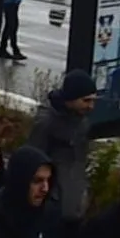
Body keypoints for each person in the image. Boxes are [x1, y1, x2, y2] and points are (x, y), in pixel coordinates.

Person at [26, 71, 97, 221]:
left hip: (75, 207)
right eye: (86, 100)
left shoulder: (82, 122)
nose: (91, 106)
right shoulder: (46, 124)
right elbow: (31, 164)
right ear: (70, 99)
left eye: (92, 101)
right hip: (51, 211)